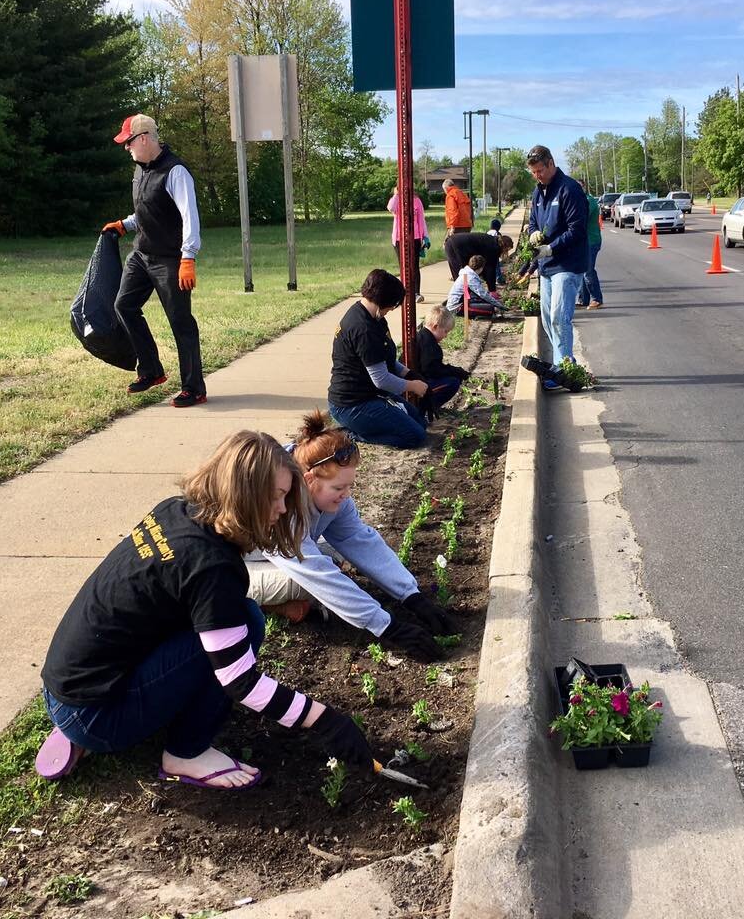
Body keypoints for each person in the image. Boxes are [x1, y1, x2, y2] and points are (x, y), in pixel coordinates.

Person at [35, 430, 373, 787]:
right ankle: (186, 753)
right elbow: (240, 681)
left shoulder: (175, 510)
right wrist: (325, 720)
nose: (282, 509)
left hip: (66, 687)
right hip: (95, 716)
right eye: (276, 497)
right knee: (246, 620)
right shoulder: (214, 567)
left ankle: (81, 724)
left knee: (234, 619)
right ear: (245, 494)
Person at [244, 411, 456, 659]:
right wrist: (388, 627)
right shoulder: (280, 508)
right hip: (239, 568)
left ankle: (285, 600)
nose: (346, 494)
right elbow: (317, 573)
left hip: (280, 553)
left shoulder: (326, 490)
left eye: (349, 486)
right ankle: (269, 603)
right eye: (338, 487)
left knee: (334, 554)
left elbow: (358, 539)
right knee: (309, 581)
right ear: (309, 479)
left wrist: (411, 595)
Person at [102, 114, 206, 405]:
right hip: (142, 254)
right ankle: (151, 370)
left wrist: (188, 257)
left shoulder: (176, 172)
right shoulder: (140, 170)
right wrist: (125, 224)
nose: (126, 148)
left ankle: (194, 388)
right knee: (124, 305)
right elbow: (149, 210)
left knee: (180, 321)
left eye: (129, 142)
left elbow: (189, 218)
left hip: (170, 259)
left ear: (144, 138)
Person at [328, 269, 430, 449]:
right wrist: (413, 386)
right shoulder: (364, 329)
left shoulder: (372, 318)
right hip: (353, 404)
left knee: (420, 423)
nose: (392, 309)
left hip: (369, 395)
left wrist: (408, 373)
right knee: (416, 436)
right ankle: (349, 433)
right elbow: (381, 380)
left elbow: (382, 358)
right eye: (392, 305)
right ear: (383, 301)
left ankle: (368, 427)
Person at [525, 145, 588, 388]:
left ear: (551, 163)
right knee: (548, 317)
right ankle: (562, 364)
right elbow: (533, 222)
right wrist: (533, 234)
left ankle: (564, 369)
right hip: (547, 265)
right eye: (533, 172)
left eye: (540, 170)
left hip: (568, 263)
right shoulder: (537, 192)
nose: (537, 175)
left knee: (560, 317)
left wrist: (551, 248)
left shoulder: (569, 189)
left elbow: (577, 229)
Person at [416, 306, 468, 409]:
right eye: (445, 331)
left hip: (415, 377)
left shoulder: (421, 335)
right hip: (420, 382)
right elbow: (433, 371)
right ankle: (427, 406)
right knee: (453, 382)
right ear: (435, 326)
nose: (446, 336)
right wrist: (454, 372)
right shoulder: (430, 346)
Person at [386, 187, 428, 302]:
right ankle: (403, 294)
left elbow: (421, 219)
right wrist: (396, 195)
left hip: (415, 238)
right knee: (403, 266)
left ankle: (416, 293)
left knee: (414, 266)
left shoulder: (416, 200)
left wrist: (425, 236)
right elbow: (390, 208)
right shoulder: (397, 200)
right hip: (399, 238)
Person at [444, 231, 514, 292]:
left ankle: (464, 298)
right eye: (507, 250)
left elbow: (486, 269)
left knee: (463, 275)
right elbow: (490, 269)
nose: (506, 253)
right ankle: (463, 301)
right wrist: (492, 290)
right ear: (503, 246)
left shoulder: (493, 242)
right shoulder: (493, 248)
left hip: (453, 242)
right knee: (462, 275)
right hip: (457, 246)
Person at [447, 255, 505, 319]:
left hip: (462, 302)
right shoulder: (470, 278)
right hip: (457, 308)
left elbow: (478, 294)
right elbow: (483, 294)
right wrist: (498, 305)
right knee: (493, 309)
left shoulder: (467, 273)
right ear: (481, 267)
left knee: (490, 303)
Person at [577, 180, 603, 310]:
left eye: (579, 187)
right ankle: (583, 299)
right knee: (582, 270)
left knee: (588, 270)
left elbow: (581, 218)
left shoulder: (589, 201)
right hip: (583, 242)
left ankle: (597, 299)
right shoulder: (579, 201)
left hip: (592, 241)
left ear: (584, 187)